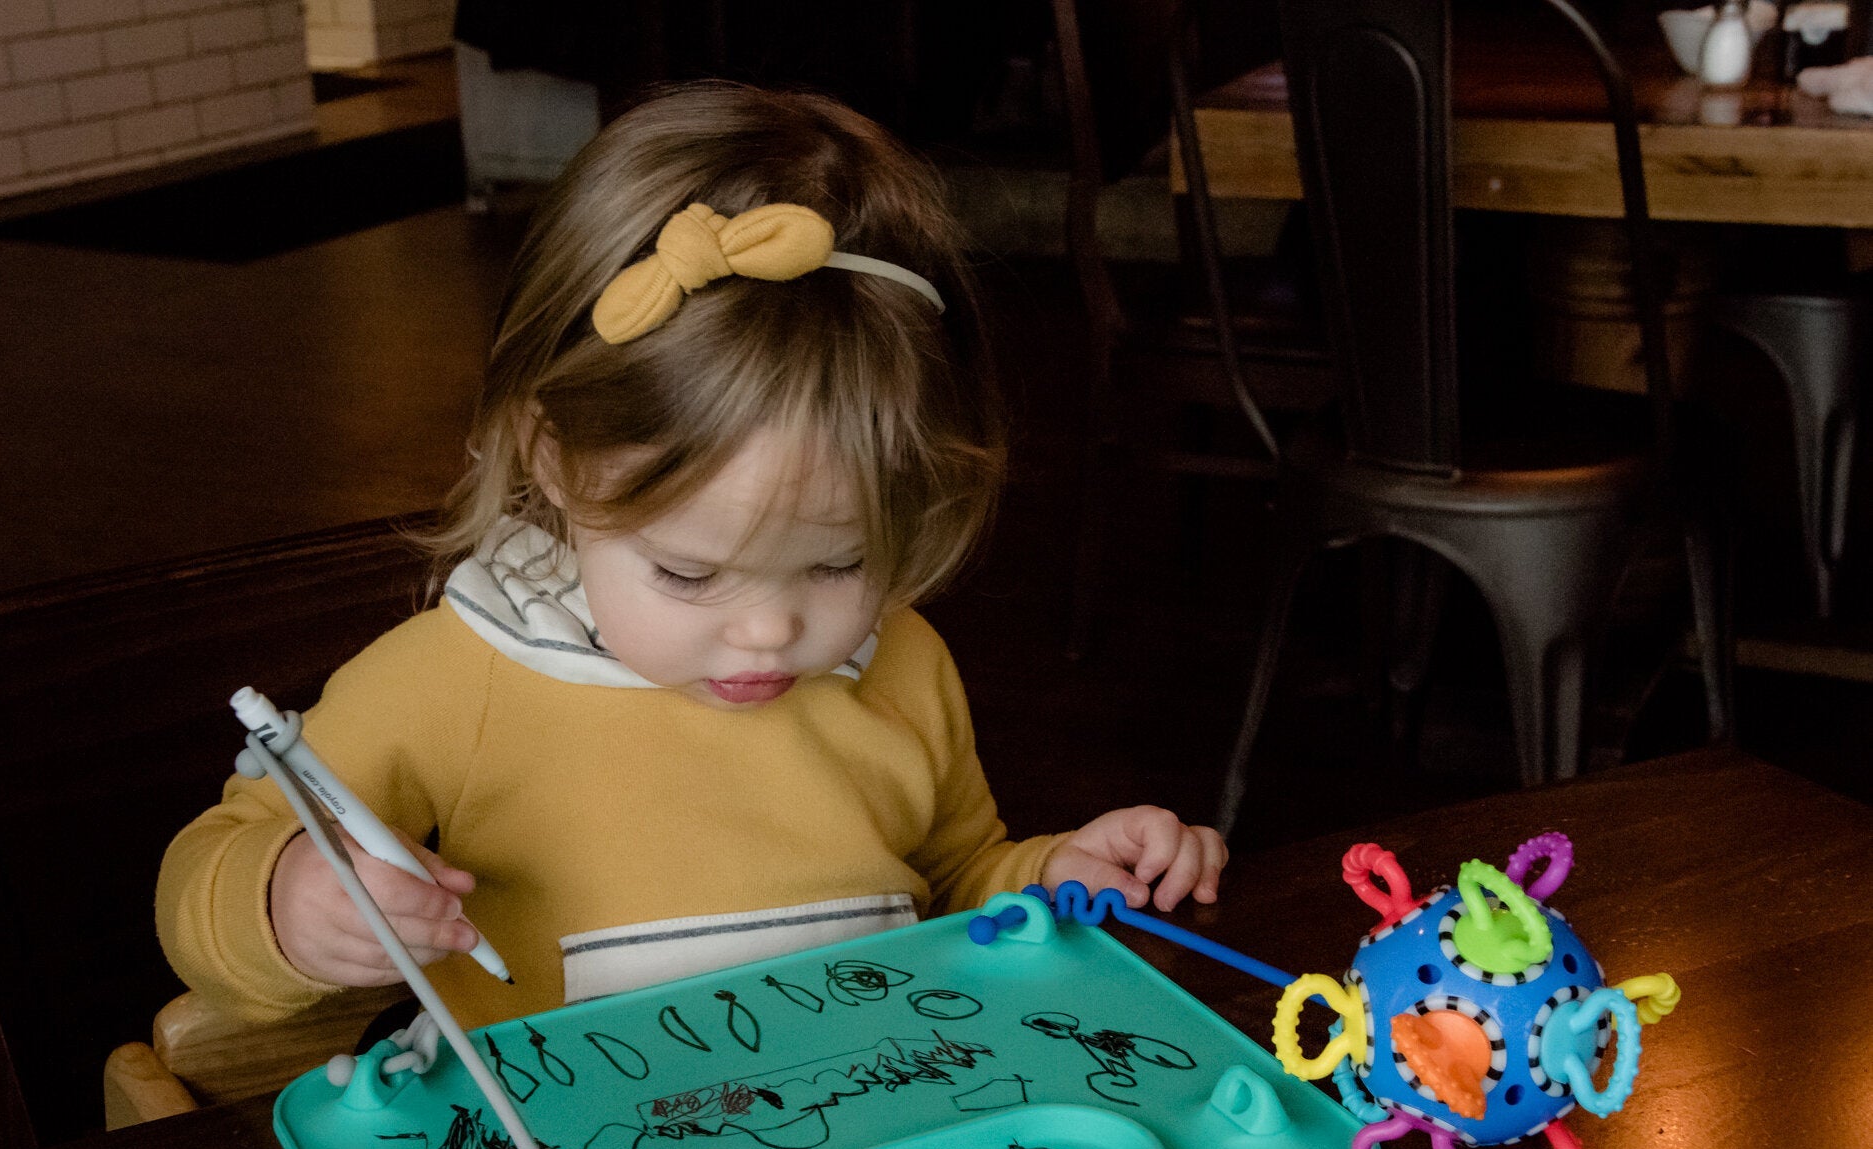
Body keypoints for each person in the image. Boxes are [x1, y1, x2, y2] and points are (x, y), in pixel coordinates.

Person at [156, 82, 1227, 1035]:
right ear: (555, 460)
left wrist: (1053, 875)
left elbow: (949, 879)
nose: (769, 630)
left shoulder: (904, 664)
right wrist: (288, 902)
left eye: (838, 565)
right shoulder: (461, 677)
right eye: (689, 572)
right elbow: (211, 870)